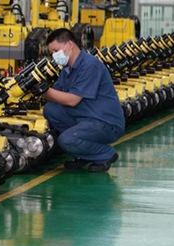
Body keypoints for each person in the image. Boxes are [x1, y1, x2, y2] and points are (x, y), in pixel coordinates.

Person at [41, 28, 125, 172]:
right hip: (86, 117)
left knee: (66, 140)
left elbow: (72, 100)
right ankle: (84, 152)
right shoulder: (68, 69)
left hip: (106, 123)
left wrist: (44, 91)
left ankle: (106, 155)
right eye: (51, 53)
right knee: (51, 110)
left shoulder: (89, 65)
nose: (54, 56)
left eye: (56, 50)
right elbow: (56, 94)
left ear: (69, 45)